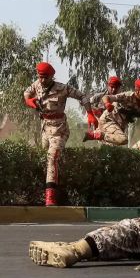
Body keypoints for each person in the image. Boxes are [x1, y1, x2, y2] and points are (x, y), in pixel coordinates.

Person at [23, 62, 93, 206]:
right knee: (42, 157)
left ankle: (50, 196)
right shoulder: (36, 84)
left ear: (52, 76)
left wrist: (90, 113)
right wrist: (29, 101)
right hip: (44, 128)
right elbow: (26, 93)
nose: (42, 80)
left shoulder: (63, 88)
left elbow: (83, 97)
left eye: (45, 77)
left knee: (51, 157)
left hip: (59, 130)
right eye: (40, 77)